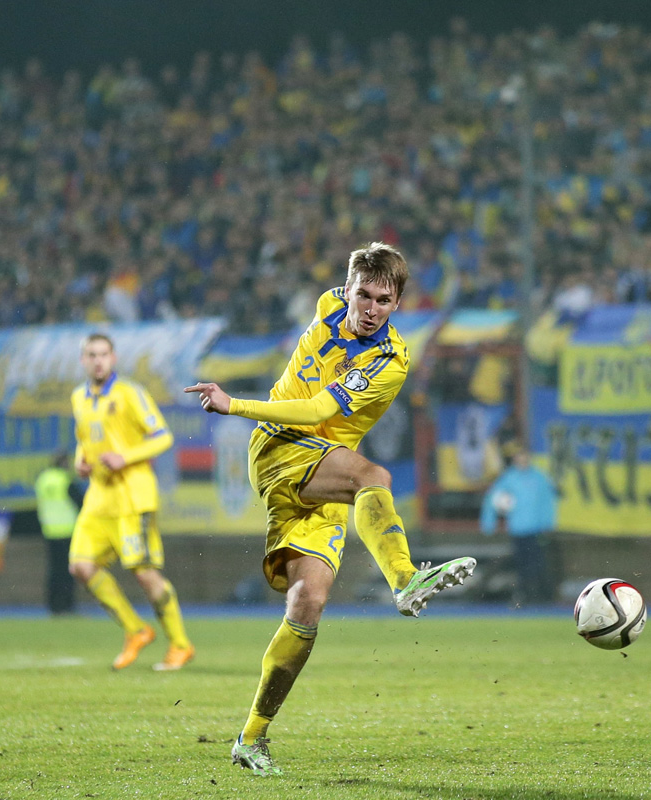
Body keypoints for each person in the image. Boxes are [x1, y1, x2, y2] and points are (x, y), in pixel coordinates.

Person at [186, 242, 476, 777]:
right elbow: (309, 410)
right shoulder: (326, 306)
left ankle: (251, 738)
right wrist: (239, 409)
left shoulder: (389, 361)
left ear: (397, 304)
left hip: (320, 473)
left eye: (382, 300)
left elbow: (322, 408)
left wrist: (235, 402)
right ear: (346, 289)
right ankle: (405, 577)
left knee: (308, 604)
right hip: (278, 447)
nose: (369, 308)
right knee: (374, 475)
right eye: (361, 295)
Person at [69, 333, 194, 671]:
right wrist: (80, 460)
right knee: (80, 565)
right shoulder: (78, 397)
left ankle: (180, 645)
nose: (97, 360)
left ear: (114, 358)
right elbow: (85, 439)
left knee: (145, 575)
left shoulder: (130, 393)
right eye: (91, 354)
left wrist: (125, 457)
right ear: (83, 360)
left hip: (131, 498)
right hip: (98, 499)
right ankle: (136, 630)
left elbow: (163, 436)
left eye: (103, 354)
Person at [480, 445, 558, 604]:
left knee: (538, 563)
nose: (522, 460)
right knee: (522, 564)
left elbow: (547, 500)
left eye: (524, 456)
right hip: (518, 529)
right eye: (519, 457)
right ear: (515, 459)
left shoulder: (538, 477)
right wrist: (489, 523)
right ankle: (525, 595)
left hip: (536, 529)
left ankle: (541, 596)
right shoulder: (509, 478)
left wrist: (548, 523)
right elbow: (492, 498)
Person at [35, 452, 84, 614]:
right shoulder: (65, 480)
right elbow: (81, 503)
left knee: (54, 571)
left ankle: (53, 605)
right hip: (67, 531)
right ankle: (66, 605)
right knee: (67, 572)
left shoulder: (43, 480)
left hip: (49, 531)